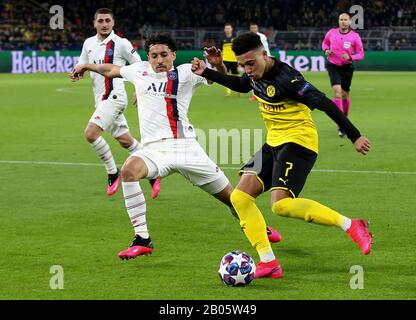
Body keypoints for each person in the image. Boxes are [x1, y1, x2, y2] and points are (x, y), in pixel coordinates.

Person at [70, 33, 281, 260]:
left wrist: (218, 64)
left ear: (173, 55)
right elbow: (111, 70)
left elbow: (220, 78)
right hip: (154, 150)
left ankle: (259, 226)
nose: (159, 60)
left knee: (233, 198)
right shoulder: (138, 70)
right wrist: (86, 66)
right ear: (148, 57)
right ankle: (142, 239)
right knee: (129, 170)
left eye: (163, 55)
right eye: (154, 56)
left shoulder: (186, 72)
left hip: (187, 149)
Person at [192, 32, 372, 279]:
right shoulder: (253, 73)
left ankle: (351, 225)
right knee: (240, 197)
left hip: (299, 142)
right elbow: (242, 85)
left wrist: (355, 136)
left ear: (264, 55)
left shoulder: (289, 79)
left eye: (251, 63)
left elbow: (326, 104)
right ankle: (269, 263)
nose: (247, 69)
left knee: (281, 206)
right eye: (243, 64)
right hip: (274, 143)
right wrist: (207, 72)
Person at [76, 8, 161, 198]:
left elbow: (140, 66)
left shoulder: (121, 43)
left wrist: (140, 90)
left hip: (115, 97)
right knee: (126, 141)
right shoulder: (88, 43)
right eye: (101, 21)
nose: (104, 24)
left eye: (107, 20)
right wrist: (78, 72)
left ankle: (113, 172)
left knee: (90, 134)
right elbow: (82, 64)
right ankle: (153, 172)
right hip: (100, 100)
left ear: (113, 23)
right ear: (94, 23)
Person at [322, 13, 365, 137]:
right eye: (341, 20)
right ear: (338, 21)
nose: (343, 22)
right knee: (337, 91)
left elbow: (361, 54)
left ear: (350, 22)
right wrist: (326, 50)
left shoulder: (355, 37)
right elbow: (324, 43)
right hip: (333, 66)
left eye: (345, 20)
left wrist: (351, 57)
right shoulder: (331, 33)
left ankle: (344, 118)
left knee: (345, 95)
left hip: (347, 68)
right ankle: (340, 123)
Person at [249, 22, 271, 101]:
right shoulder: (247, 38)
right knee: (253, 76)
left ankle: (267, 93)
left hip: (262, 60)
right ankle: (255, 95)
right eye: (252, 28)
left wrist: (267, 58)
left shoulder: (262, 37)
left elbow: (265, 49)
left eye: (254, 28)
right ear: (250, 29)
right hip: (252, 60)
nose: (253, 29)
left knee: (265, 77)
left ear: (257, 28)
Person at [220, 23, 239, 96]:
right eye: (226, 28)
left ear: (232, 29)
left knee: (236, 76)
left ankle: (239, 89)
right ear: (224, 30)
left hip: (234, 60)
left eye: (229, 28)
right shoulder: (222, 39)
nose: (227, 30)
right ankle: (228, 92)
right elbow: (220, 50)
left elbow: (238, 49)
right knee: (226, 76)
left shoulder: (235, 38)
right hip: (225, 60)